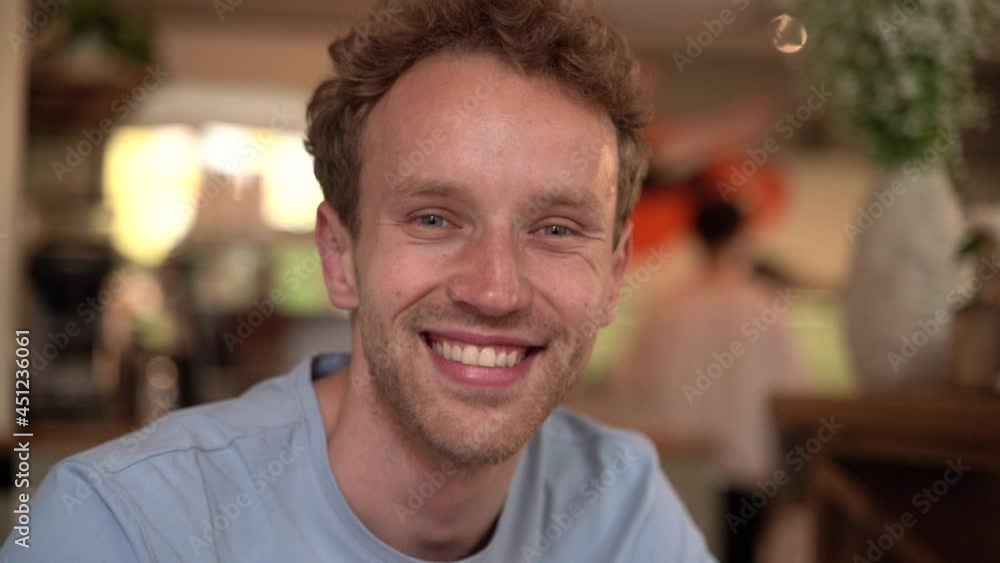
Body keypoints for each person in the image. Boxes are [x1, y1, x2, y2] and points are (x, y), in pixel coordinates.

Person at [2, 1, 715, 561]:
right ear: (340, 256)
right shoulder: (124, 525)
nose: (497, 290)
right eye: (434, 218)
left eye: (556, 229)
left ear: (614, 272)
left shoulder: (622, 507)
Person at [612, 191, 807, 563]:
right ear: (742, 236)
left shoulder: (666, 306)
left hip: (679, 467)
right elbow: (794, 394)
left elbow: (630, 384)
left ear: (694, 236)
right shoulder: (764, 308)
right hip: (746, 470)